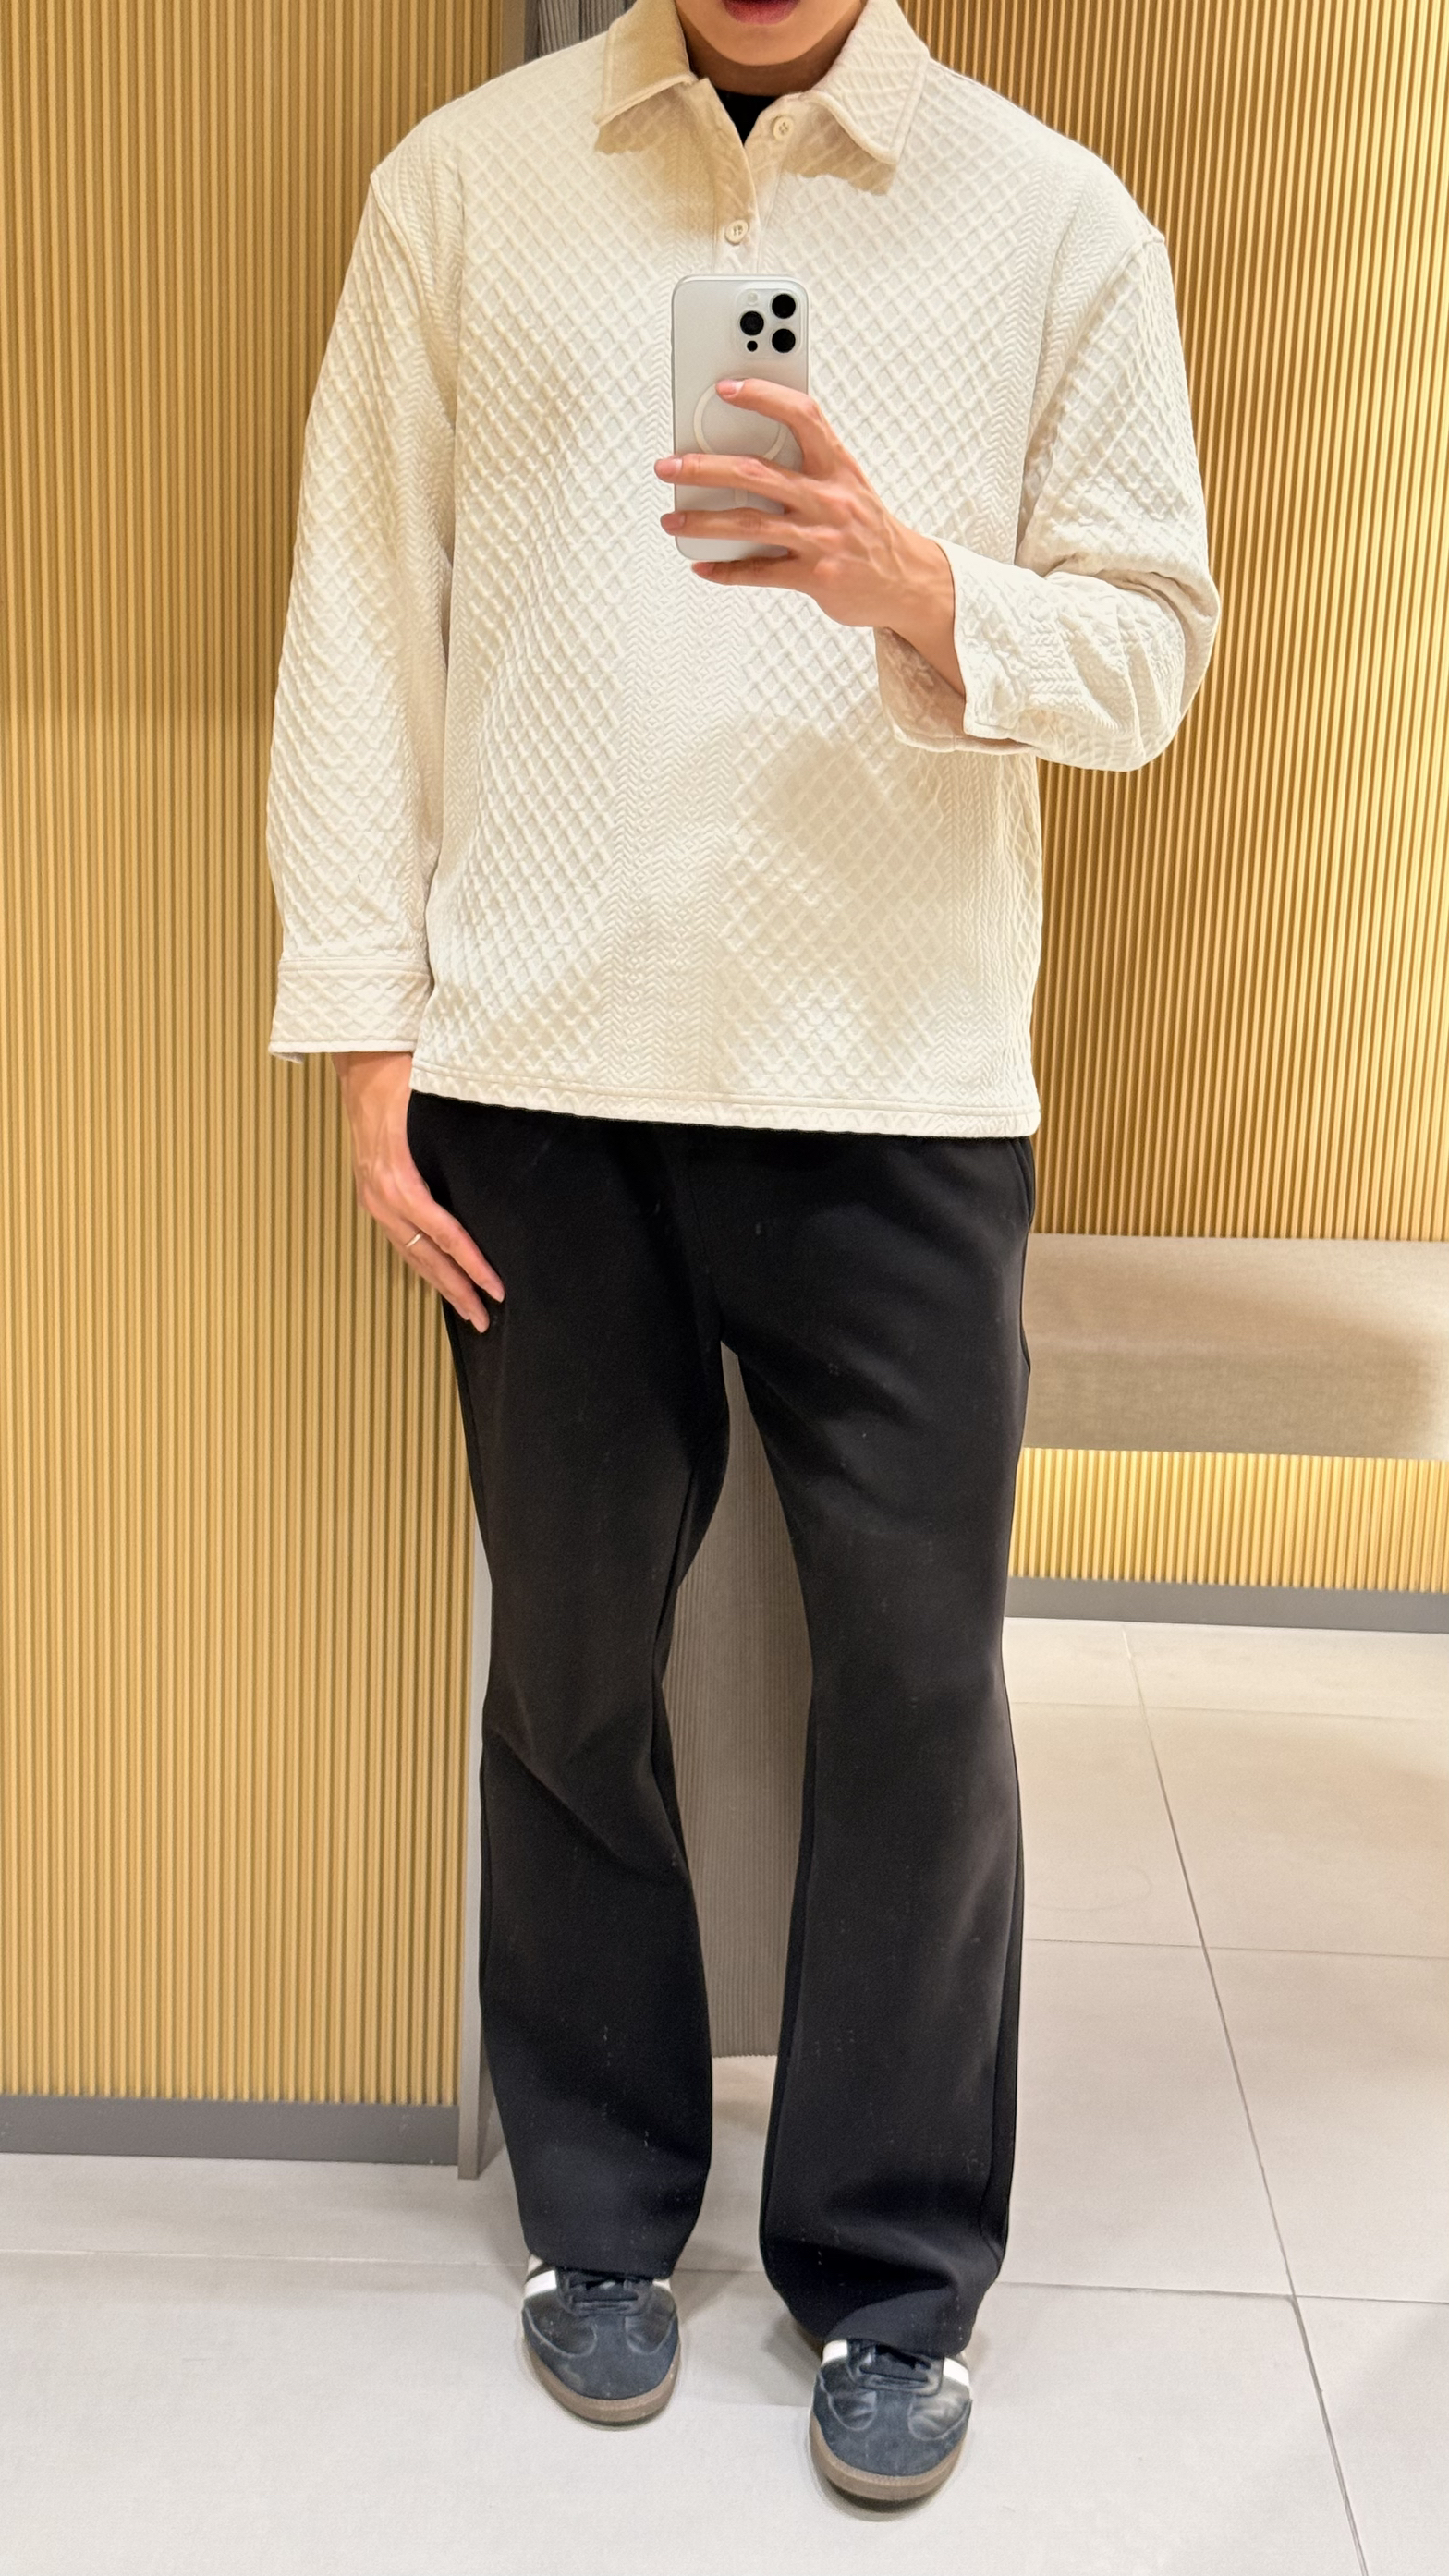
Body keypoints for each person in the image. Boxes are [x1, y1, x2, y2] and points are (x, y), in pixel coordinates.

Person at [265, 0, 1220, 2507]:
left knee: (916, 1687)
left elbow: (1154, 649)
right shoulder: (462, 189)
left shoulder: (1054, 217)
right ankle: (599, 2203)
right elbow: (362, 606)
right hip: (537, 1073)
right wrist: (367, 1028)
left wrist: (927, 591)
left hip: (901, 1088)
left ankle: (892, 2269)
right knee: (574, 1660)